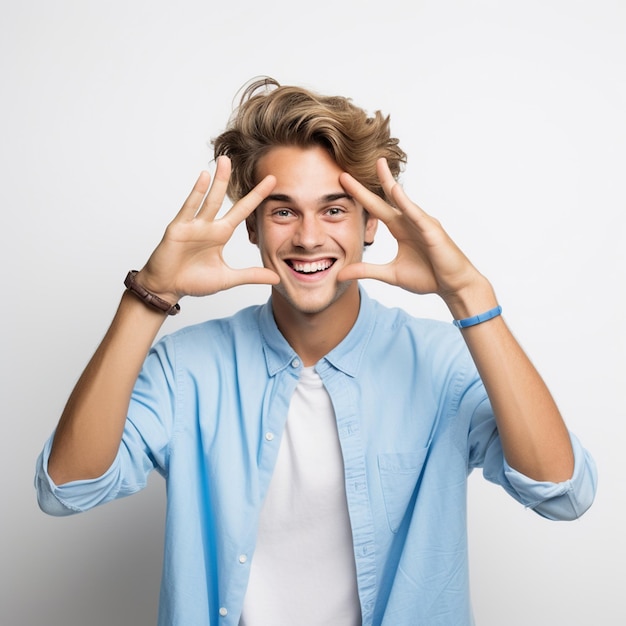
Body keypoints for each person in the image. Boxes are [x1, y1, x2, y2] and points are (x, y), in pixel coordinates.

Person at [35, 77, 597, 626]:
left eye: (333, 209)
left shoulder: (442, 363)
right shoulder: (189, 370)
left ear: (370, 222)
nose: (308, 237)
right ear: (251, 226)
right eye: (283, 211)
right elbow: (68, 489)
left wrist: (469, 295)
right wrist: (149, 298)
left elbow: (562, 492)